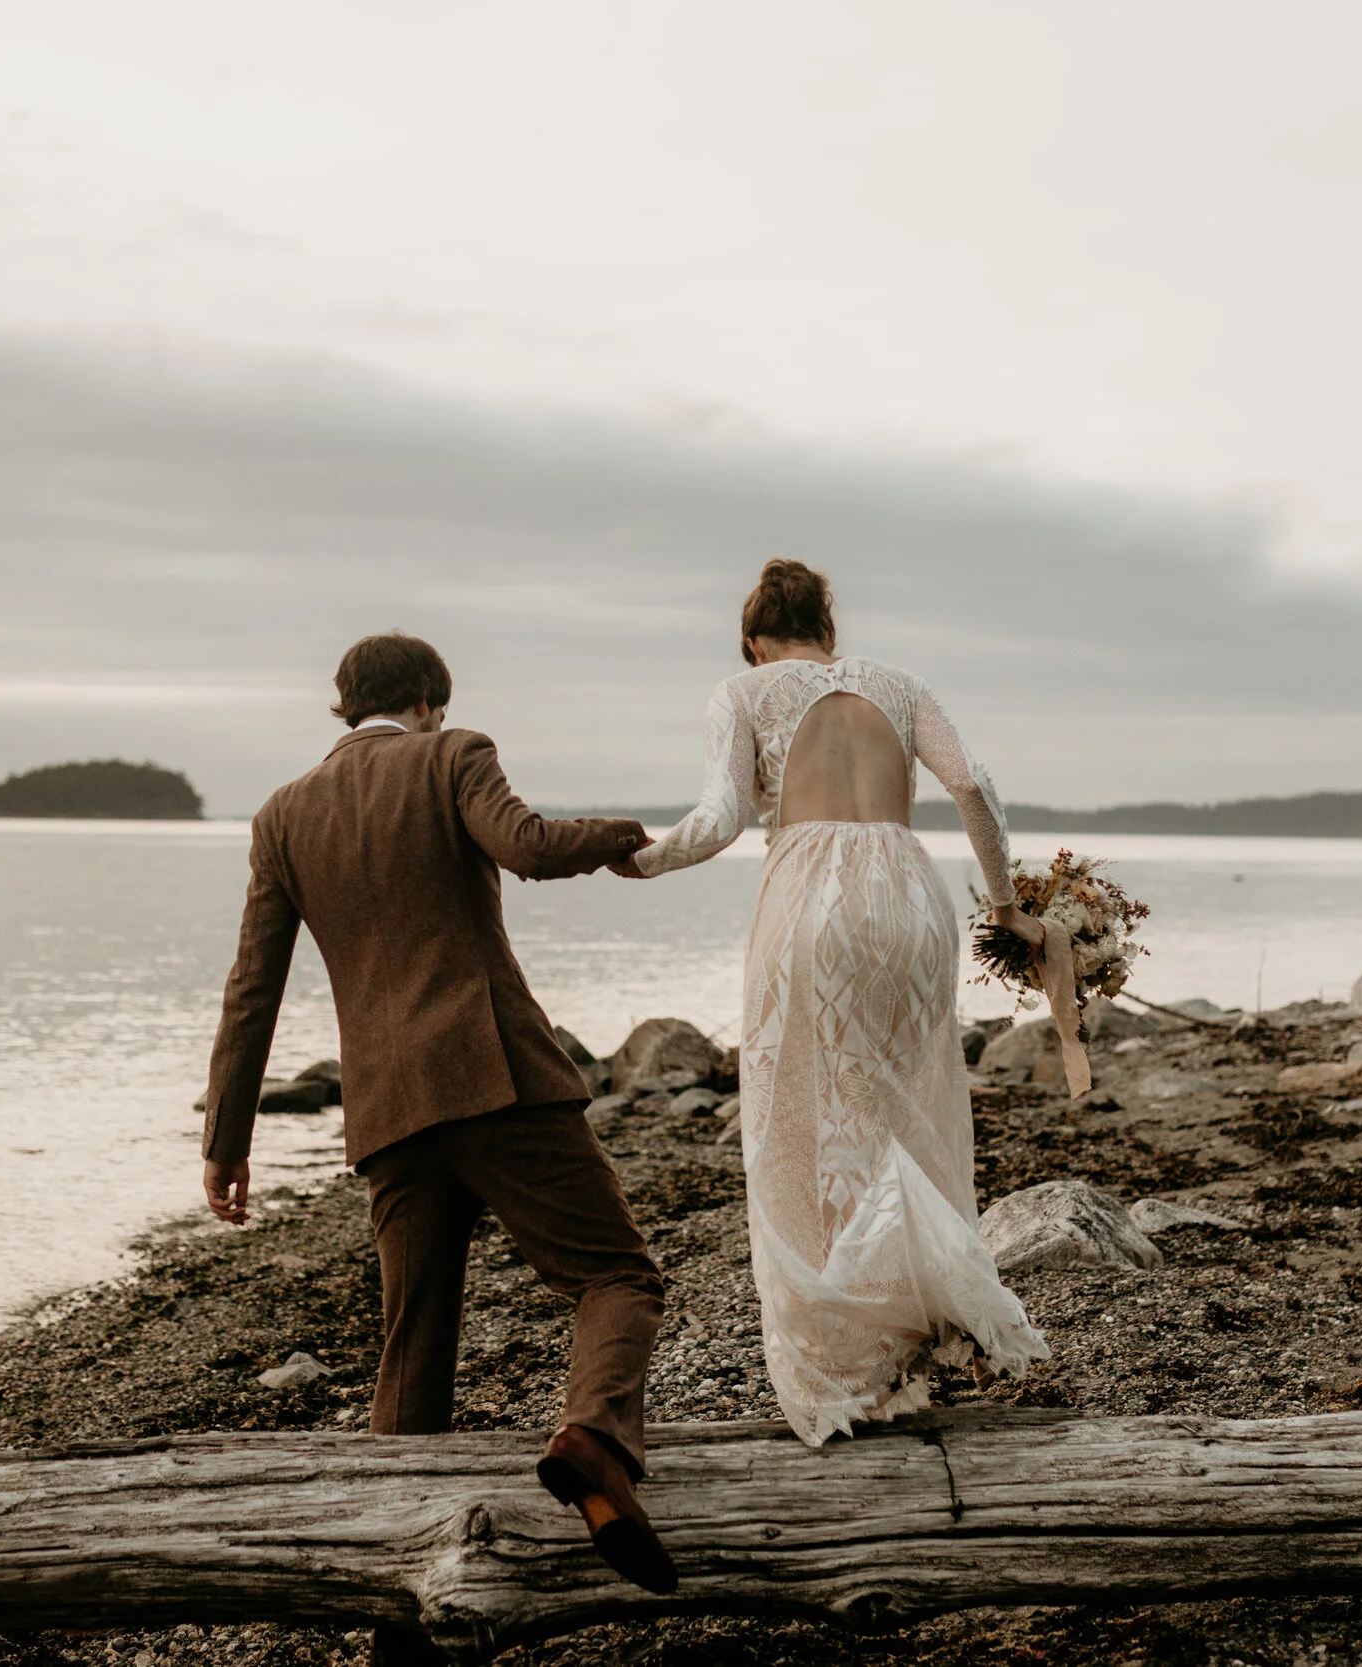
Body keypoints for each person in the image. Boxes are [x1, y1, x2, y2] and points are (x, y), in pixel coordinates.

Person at [200, 631, 679, 1607]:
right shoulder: (452, 754)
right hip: (493, 1076)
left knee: (413, 1348)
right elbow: (529, 847)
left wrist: (227, 1139)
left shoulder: (282, 815)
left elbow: (253, 986)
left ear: (347, 707)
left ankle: (399, 1599)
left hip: (388, 1111)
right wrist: (627, 836)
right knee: (613, 1272)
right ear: (427, 698)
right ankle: (591, 1437)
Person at [615, 560, 1051, 1445]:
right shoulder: (899, 684)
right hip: (911, 896)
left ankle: (852, 1358)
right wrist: (1006, 907)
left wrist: (642, 858)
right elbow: (974, 785)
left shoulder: (742, 690)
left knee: (802, 1126)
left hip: (813, 898)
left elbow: (722, 816)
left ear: (753, 640)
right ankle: (919, 1326)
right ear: (830, 631)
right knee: (906, 1112)